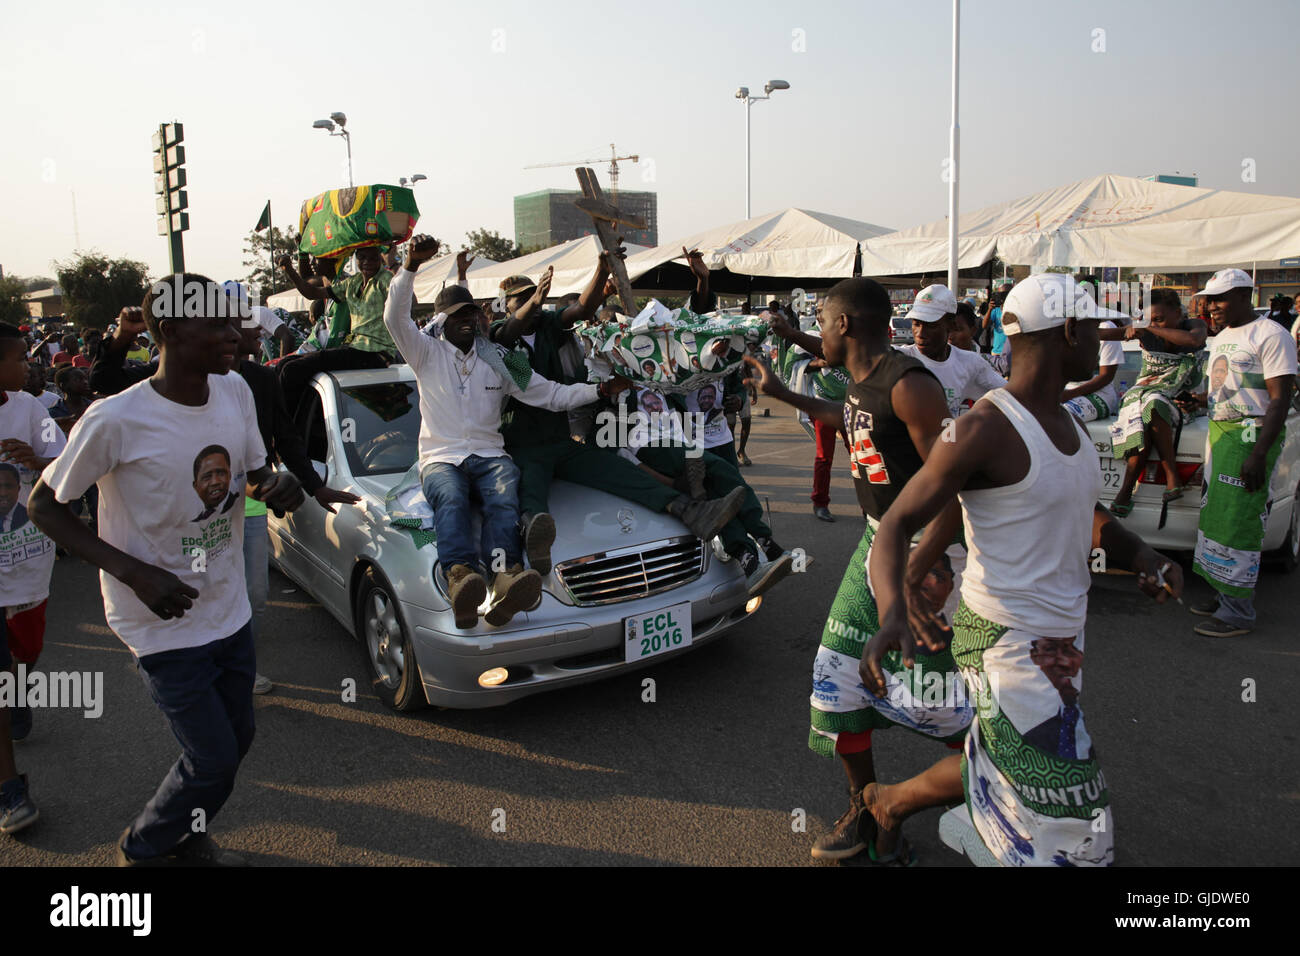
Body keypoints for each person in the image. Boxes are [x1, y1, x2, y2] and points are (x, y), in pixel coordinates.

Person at [860, 273, 1184, 867]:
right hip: (1007, 642)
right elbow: (897, 523)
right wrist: (892, 610)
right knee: (1078, 820)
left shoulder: (1068, 424)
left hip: (1063, 634)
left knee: (998, 756)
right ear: (1066, 330)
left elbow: (1082, 509)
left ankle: (890, 804)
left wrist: (1142, 554)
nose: (1101, 341)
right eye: (1092, 328)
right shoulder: (981, 427)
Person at [29, 274, 306, 867]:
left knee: (239, 741)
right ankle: (146, 848)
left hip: (226, 604)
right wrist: (135, 573)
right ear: (173, 330)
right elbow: (44, 505)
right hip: (158, 618)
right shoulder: (115, 419)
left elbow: (251, 473)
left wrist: (273, 484)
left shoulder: (232, 391)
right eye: (218, 324)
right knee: (211, 758)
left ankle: (187, 830)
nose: (235, 333)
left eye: (234, 321)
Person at [744, 277, 970, 864]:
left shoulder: (912, 387)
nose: (817, 327)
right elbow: (846, 418)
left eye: (821, 317)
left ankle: (976, 798)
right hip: (876, 544)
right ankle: (865, 808)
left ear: (845, 324)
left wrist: (930, 564)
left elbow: (956, 486)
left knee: (948, 699)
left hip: (927, 551)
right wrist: (780, 392)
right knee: (836, 673)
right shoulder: (860, 383)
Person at [385, 236, 635, 628]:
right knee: (450, 497)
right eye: (457, 314)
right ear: (442, 321)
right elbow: (394, 318)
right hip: (441, 457)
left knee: (504, 492)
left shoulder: (499, 358)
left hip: (489, 455)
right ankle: (461, 579)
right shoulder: (424, 353)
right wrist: (410, 267)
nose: (467, 319)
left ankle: (507, 577)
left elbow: (549, 393)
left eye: (471, 313)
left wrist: (599, 390)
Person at [491, 252, 743, 571]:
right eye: (522, 299)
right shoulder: (499, 336)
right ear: (505, 305)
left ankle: (689, 509)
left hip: (561, 437)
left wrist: (602, 269)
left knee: (616, 468)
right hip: (522, 445)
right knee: (532, 489)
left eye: (534, 295)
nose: (533, 303)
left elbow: (582, 307)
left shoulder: (549, 328)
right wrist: (536, 299)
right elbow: (511, 334)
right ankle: (533, 547)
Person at [1191, 269, 1297, 637]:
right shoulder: (1223, 336)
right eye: (1209, 299)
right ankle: (1223, 594)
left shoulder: (1272, 335)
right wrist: (1202, 398)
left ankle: (1238, 611)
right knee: (1217, 518)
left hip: (1250, 437)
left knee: (1241, 519)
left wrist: (1259, 453)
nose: (1211, 306)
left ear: (1243, 295)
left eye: (1219, 299)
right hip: (1221, 436)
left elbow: (1279, 398)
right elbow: (1230, 386)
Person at [0, 322, 68, 750]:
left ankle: (18, 691)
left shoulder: (29, 408)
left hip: (26, 552)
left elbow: (62, 460)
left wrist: (37, 458)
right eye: (19, 358)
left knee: (26, 645)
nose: (28, 365)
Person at [1106, 289, 1207, 517]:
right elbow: (1104, 334)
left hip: (1183, 398)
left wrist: (1146, 327)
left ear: (1178, 313)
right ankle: (1159, 480)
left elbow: (1194, 340)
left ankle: (1140, 486)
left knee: (1152, 402)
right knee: (1142, 416)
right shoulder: (1146, 332)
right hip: (1146, 394)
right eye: (1151, 320)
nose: (1156, 325)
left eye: (1160, 319)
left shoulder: (1194, 326)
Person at [276, 245, 400, 415]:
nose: (367, 262)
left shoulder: (386, 279)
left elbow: (407, 298)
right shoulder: (353, 282)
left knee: (292, 370)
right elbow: (312, 293)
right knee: (284, 364)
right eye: (362, 258)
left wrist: (392, 262)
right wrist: (289, 270)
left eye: (373, 258)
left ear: (380, 258)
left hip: (375, 353)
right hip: (355, 349)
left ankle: (289, 428)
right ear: (355, 259)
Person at [767, 303, 849, 522]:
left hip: (852, 404)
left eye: (825, 311)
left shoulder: (848, 335)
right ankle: (820, 502)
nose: (820, 314)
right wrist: (818, 363)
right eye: (818, 311)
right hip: (823, 404)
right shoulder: (809, 337)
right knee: (824, 457)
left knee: (862, 458)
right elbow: (790, 366)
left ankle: (870, 505)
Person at [897, 285, 1006, 420]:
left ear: (951, 324)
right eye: (916, 324)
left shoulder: (970, 363)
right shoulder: (899, 360)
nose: (920, 334)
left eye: (931, 325)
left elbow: (1010, 398)